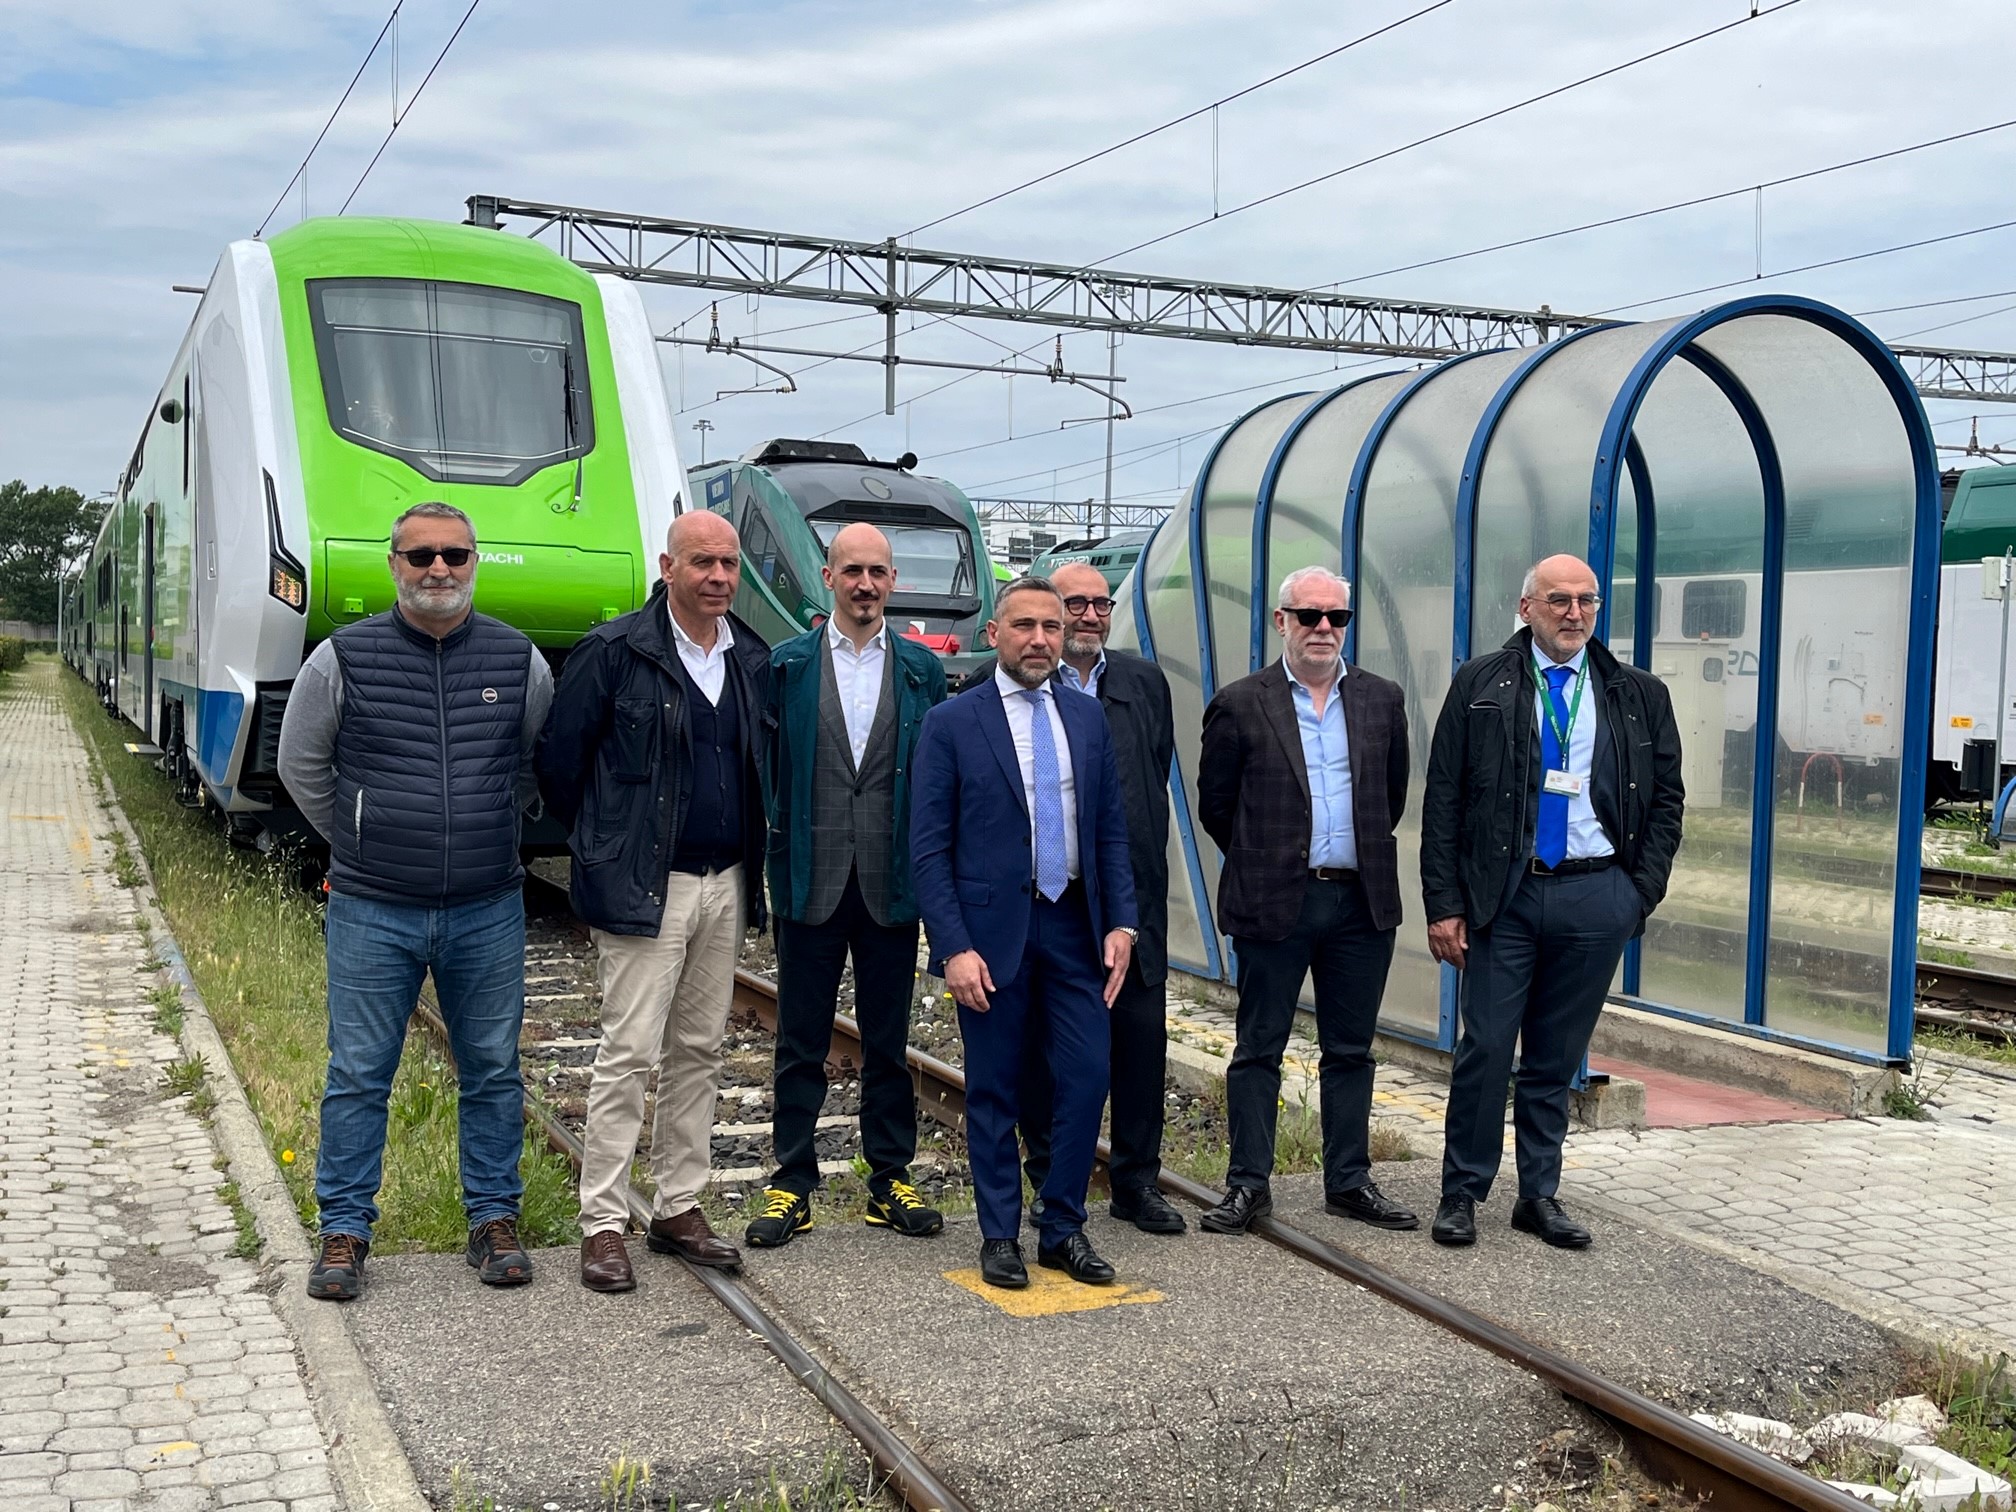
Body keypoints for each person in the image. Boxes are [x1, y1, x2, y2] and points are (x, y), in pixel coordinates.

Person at [278, 501, 552, 1300]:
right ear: (392, 564)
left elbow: (535, 762)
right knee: (360, 1072)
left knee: (494, 1070)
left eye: (455, 556)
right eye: (421, 555)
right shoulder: (342, 658)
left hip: (485, 907)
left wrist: (498, 829)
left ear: (476, 562)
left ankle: (493, 1221)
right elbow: (303, 766)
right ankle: (344, 1232)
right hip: (372, 907)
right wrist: (361, 838)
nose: (439, 569)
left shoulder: (516, 659)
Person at [1421, 554, 1684, 1251]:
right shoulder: (1483, 683)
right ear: (1527, 605)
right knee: (1486, 1048)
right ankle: (1462, 1192)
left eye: (1587, 601)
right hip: (1505, 896)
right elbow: (1444, 798)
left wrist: (1636, 894)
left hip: (1596, 894)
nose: (1575, 614)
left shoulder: (1636, 693)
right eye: (1560, 600)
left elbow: (1666, 802)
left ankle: (1539, 1194)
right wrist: (1443, 903)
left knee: (1554, 1056)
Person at [538, 511, 771, 1291]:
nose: (719, 577)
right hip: (648, 884)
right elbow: (561, 767)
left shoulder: (750, 659)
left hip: (726, 882)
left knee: (699, 1049)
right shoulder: (614, 654)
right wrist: (609, 847)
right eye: (703, 562)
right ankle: (603, 1221)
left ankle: (677, 1206)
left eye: (729, 564)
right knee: (629, 1052)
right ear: (667, 567)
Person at [911, 577, 1139, 1290]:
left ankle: (1062, 1227)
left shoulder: (1085, 717)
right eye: (1026, 626)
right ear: (995, 634)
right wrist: (952, 946)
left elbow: (1108, 829)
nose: (1041, 639)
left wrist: (1123, 921)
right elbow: (926, 847)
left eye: (1051, 626)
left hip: (1075, 926)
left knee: (1086, 1076)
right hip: (991, 934)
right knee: (995, 1088)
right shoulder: (951, 723)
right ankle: (1000, 1234)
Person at [1195, 566, 1414, 1236]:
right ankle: (1247, 1186)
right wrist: (1271, 858)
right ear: (1280, 621)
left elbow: (1392, 798)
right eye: (1309, 615)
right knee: (1259, 1047)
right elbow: (1217, 808)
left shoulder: (1382, 700)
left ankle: (1348, 1182)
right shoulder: (1240, 703)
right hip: (1274, 903)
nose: (1324, 628)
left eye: (1336, 617)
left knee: (1350, 1050)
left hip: (1359, 904)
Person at [747, 523, 948, 1249]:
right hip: (811, 879)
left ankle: (888, 1178)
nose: (865, 584)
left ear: (892, 583)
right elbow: (767, 774)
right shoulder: (787, 665)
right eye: (852, 571)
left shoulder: (923, 671)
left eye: (878, 573)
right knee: (800, 1039)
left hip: (892, 884)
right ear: (828, 578)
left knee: (890, 1042)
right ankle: (791, 1181)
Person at [1018, 562, 1183, 1235]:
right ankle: (1051, 1179)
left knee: (1140, 1044)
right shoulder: (1021, 684)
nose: (1088, 616)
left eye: (1099, 604)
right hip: (1054, 904)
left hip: (1130, 899)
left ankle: (1136, 1183)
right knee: (1043, 1052)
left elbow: (1155, 775)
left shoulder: (1143, 683)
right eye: (1073, 604)